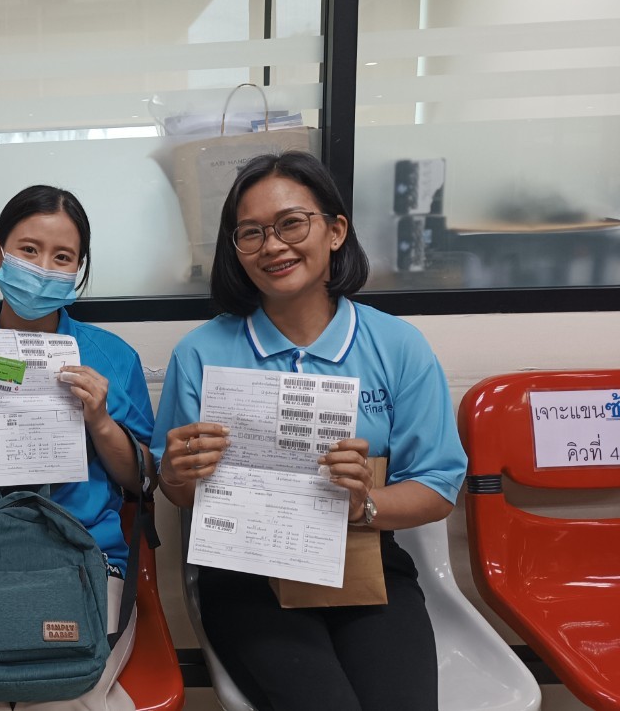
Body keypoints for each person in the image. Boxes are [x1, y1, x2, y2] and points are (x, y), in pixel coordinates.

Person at [152, 151, 466, 711]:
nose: (273, 246)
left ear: (336, 230)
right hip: (246, 575)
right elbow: (181, 493)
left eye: (291, 223)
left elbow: (437, 486)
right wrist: (176, 476)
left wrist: (363, 506)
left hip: (364, 561)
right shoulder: (200, 353)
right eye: (251, 233)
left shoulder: (398, 346)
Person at [0, 185, 156, 710]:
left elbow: (139, 482)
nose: (44, 269)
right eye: (29, 250)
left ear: (78, 269)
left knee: (71, 689)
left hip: (87, 555)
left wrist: (99, 420)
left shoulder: (112, 357)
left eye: (62, 257)